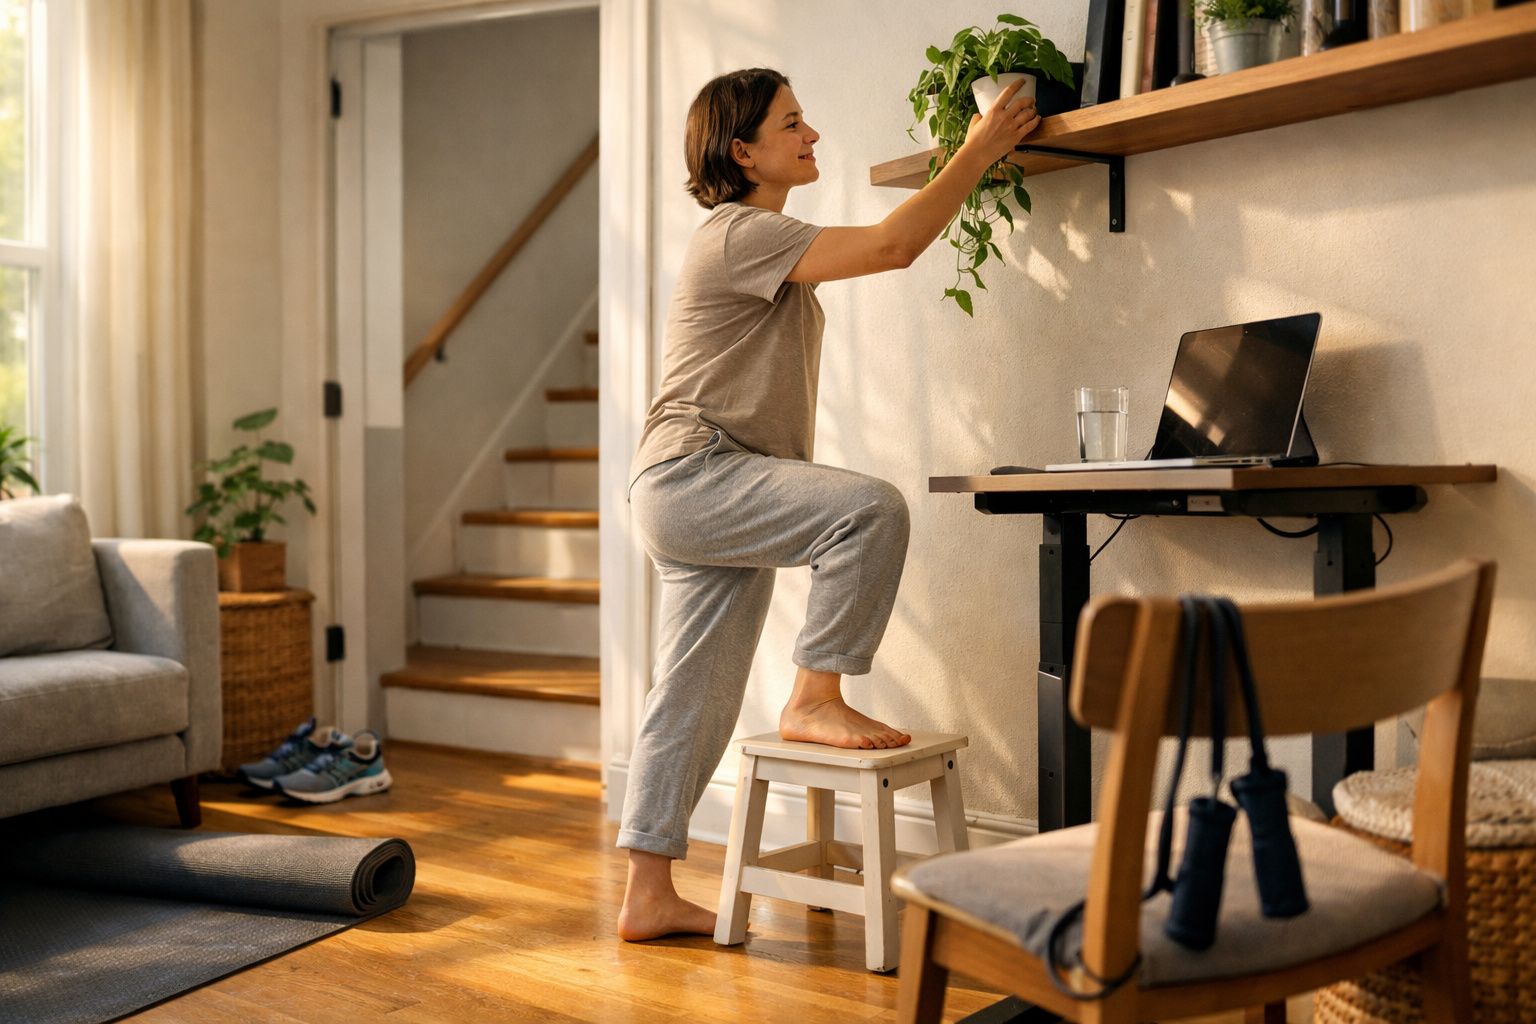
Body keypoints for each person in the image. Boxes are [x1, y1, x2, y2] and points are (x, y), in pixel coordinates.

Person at [617, 67, 1041, 942]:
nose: (812, 137)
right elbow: (894, 246)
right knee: (870, 510)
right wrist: (977, 148)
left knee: (690, 696)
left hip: (687, 483)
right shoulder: (738, 234)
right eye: (793, 124)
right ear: (743, 151)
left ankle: (646, 894)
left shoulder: (769, 243)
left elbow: (881, 246)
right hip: (699, 473)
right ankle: (816, 698)